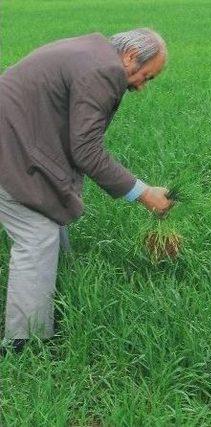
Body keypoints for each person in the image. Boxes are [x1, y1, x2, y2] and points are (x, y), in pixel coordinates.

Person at [0, 28, 173, 354]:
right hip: (9, 146)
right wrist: (143, 193)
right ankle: (25, 345)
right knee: (36, 236)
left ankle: (56, 295)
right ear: (131, 57)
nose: (141, 86)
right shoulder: (104, 71)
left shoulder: (94, 53)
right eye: (146, 76)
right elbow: (87, 150)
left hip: (16, 135)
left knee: (50, 213)